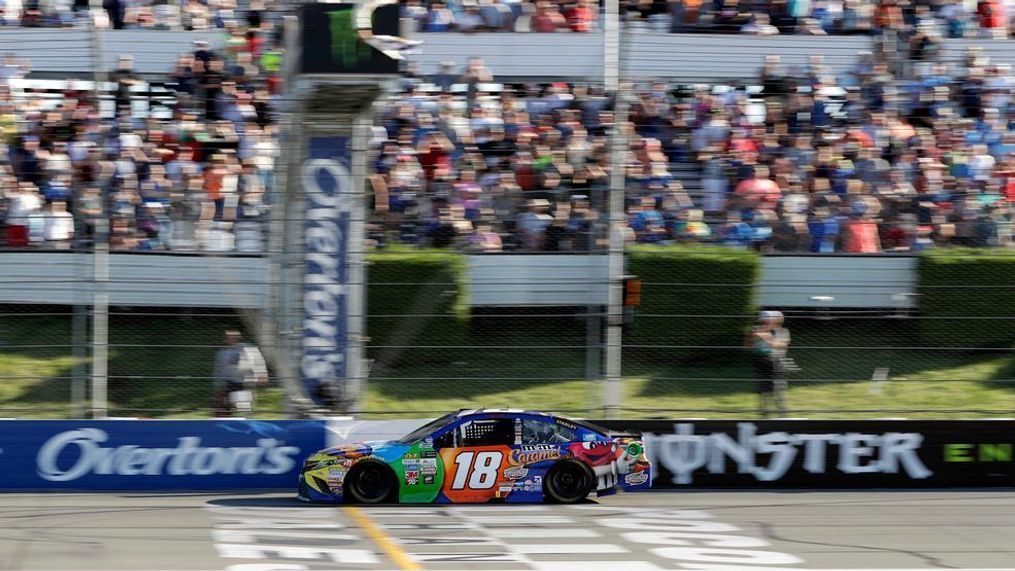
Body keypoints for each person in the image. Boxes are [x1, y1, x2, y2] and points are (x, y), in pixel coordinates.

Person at [212, 330, 268, 417]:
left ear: (238, 338)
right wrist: (218, 384)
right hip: (229, 382)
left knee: (243, 407)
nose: (232, 339)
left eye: (234, 337)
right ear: (225, 340)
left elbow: (257, 361)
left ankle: (246, 420)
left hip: (244, 382)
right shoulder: (222, 353)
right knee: (222, 407)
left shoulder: (247, 348)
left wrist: (261, 374)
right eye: (228, 338)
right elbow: (219, 368)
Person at [750, 310, 790, 418]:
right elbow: (749, 347)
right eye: (762, 322)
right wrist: (751, 338)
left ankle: (783, 414)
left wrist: (768, 338)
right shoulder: (757, 331)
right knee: (763, 392)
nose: (764, 324)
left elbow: (782, 346)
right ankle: (764, 415)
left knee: (777, 391)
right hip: (761, 364)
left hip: (776, 363)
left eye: (767, 321)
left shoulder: (782, 332)